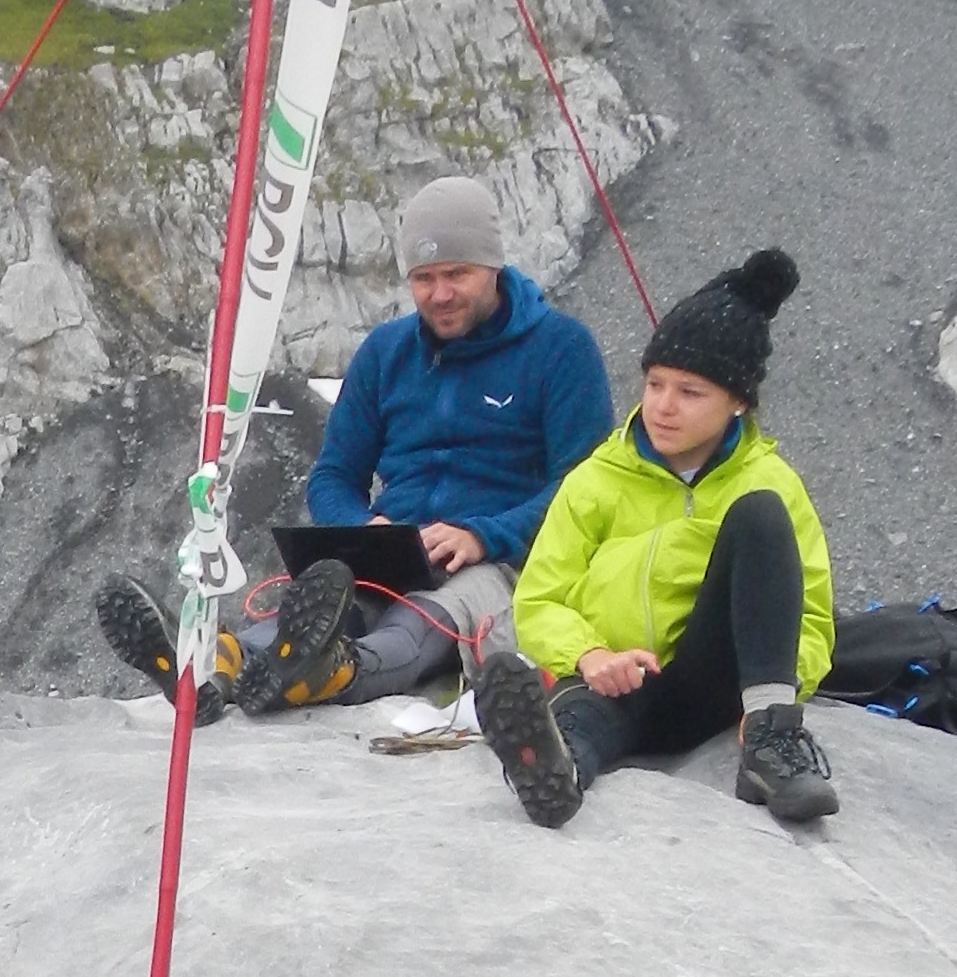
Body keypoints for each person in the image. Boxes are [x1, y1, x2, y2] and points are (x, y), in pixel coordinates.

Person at [93, 173, 611, 713]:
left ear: (494, 265)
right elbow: (334, 476)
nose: (440, 294)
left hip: (500, 564)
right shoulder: (385, 352)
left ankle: (329, 672)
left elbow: (587, 490)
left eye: (457, 274)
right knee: (336, 607)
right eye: (423, 278)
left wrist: (484, 535)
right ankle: (215, 666)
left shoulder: (561, 349)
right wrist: (365, 532)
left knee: (420, 619)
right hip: (396, 553)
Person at [472, 247, 840, 834]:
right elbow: (539, 599)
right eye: (654, 384)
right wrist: (591, 656)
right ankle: (557, 766)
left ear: (738, 402)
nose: (663, 407)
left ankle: (770, 738)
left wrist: (782, 684)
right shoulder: (596, 478)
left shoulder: (771, 482)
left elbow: (813, 619)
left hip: (717, 685)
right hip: (618, 681)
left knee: (760, 516)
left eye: (690, 392)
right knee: (581, 716)